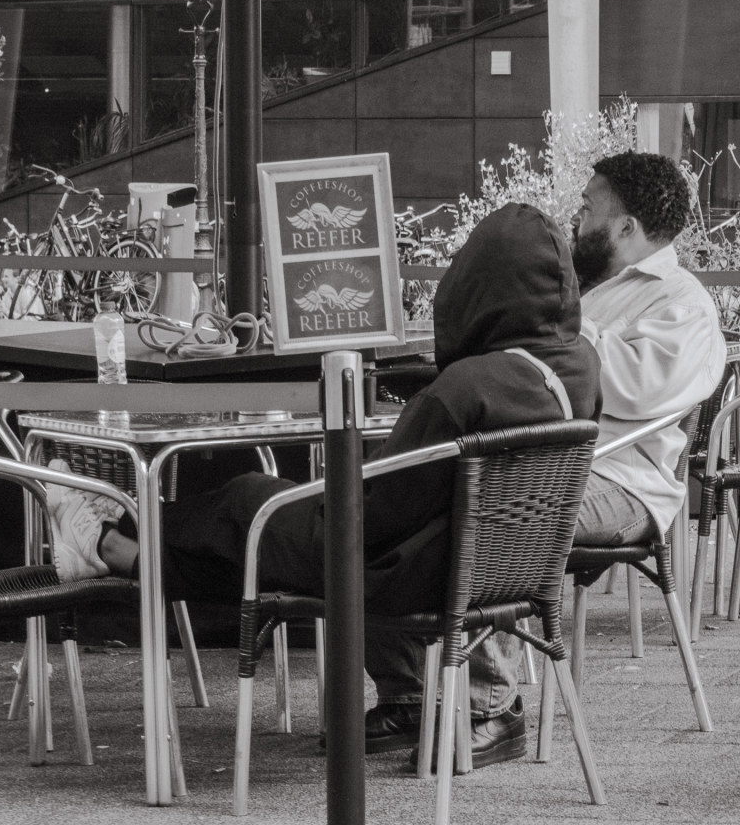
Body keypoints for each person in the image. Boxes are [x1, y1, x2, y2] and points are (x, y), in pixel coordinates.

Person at [48, 203, 602, 766]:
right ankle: (111, 547)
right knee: (245, 546)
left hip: (403, 572)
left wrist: (333, 485)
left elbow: (377, 513)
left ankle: (115, 527)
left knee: (247, 500)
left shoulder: (465, 388)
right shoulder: (579, 366)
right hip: (500, 567)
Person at [568, 151, 726, 552]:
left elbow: (634, 387)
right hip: (549, 460)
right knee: (442, 488)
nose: (575, 219)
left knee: (490, 513)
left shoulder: (682, 302)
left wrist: (553, 319)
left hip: (622, 478)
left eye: (587, 208)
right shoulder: (586, 283)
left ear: (626, 227)